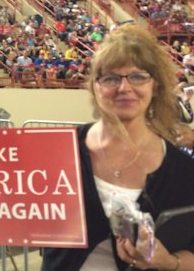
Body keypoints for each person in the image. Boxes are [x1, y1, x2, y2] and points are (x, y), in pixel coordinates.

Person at [42, 25, 194, 270]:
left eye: (137, 76)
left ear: (155, 85)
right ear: (95, 86)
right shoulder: (58, 150)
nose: (124, 88)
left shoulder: (184, 172)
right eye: (111, 77)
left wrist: (169, 262)